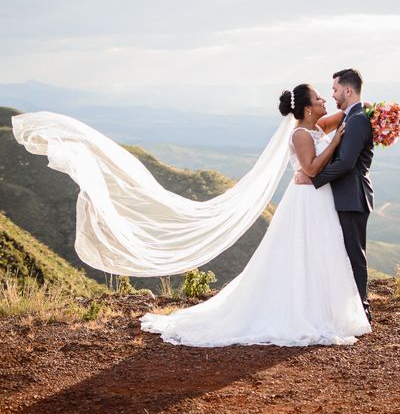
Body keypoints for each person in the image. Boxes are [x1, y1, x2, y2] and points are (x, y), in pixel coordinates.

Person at [139, 83, 372, 347]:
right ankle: (302, 311)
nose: (324, 100)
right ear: (308, 109)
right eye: (319, 98)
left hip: (319, 199)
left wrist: (380, 112)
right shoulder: (300, 135)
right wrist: (336, 143)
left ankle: (322, 308)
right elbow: (311, 169)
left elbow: (348, 113)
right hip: (307, 200)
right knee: (303, 252)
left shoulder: (316, 127)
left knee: (321, 252)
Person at [296, 69, 374, 322]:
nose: (331, 95)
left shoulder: (358, 119)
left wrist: (313, 177)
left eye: (335, 89)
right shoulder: (350, 117)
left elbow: (347, 163)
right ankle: (342, 309)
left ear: (348, 90)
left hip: (352, 196)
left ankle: (361, 310)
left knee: (353, 255)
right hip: (338, 197)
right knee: (340, 254)